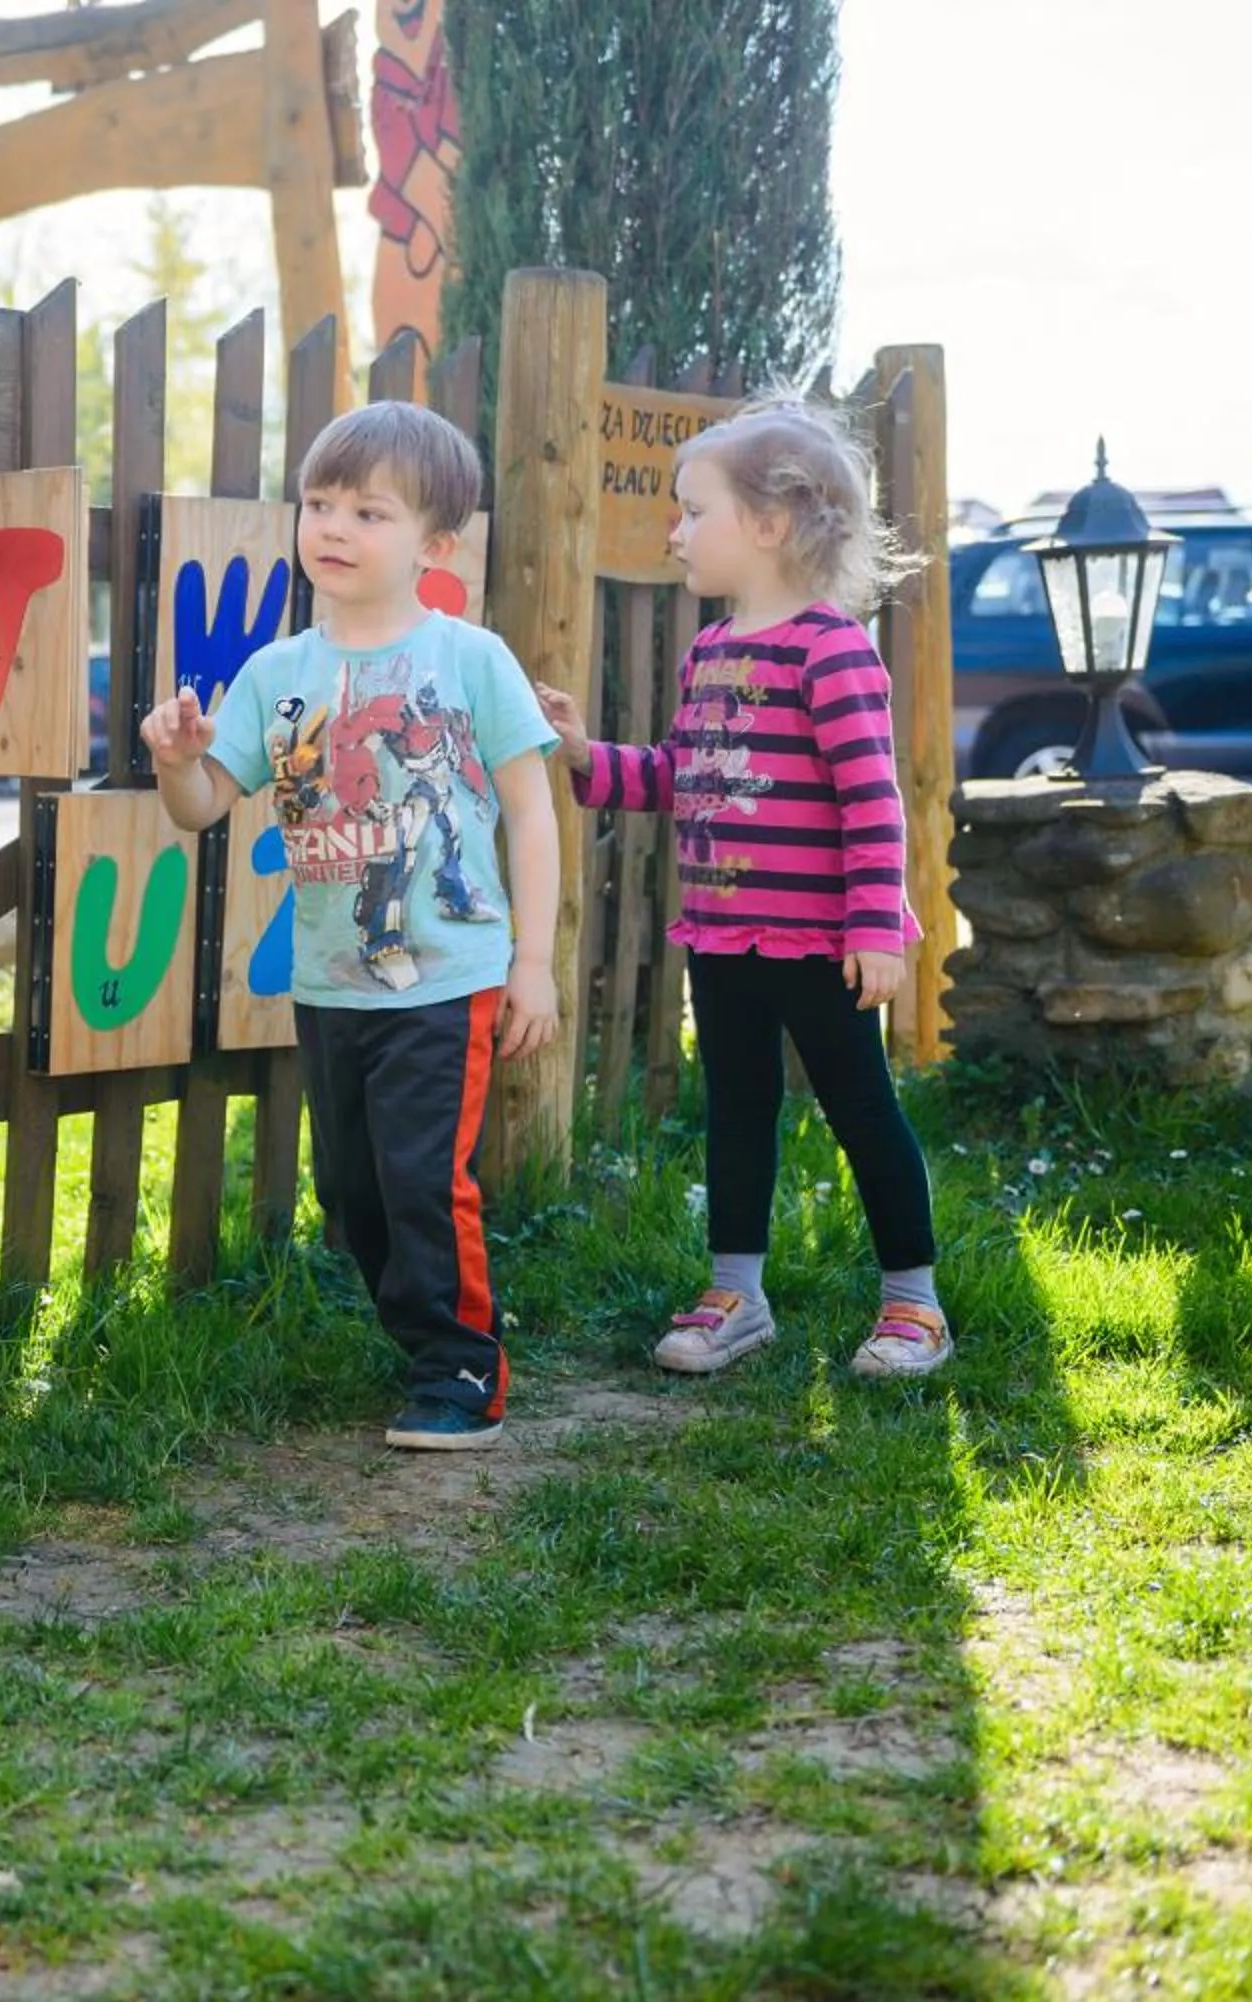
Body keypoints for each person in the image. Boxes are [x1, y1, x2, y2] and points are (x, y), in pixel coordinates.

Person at [142, 401, 562, 1450]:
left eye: (368, 511)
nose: (333, 526)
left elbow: (531, 810)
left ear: (435, 544)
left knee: (425, 1176)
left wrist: (536, 962)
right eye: (319, 503)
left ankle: (462, 1367)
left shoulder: (470, 660)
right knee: (355, 1189)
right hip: (331, 980)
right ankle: (428, 1332)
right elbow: (202, 809)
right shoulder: (274, 677)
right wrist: (173, 759)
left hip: (446, 976)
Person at [535, 396, 948, 1379]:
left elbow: (873, 803)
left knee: (863, 1113)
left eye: (693, 512)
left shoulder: (833, 651)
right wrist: (585, 752)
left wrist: (874, 929)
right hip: (723, 938)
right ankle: (737, 1292)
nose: (675, 531)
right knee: (737, 1109)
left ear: (769, 525)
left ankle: (914, 1305)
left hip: (821, 940)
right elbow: (687, 774)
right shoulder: (710, 654)